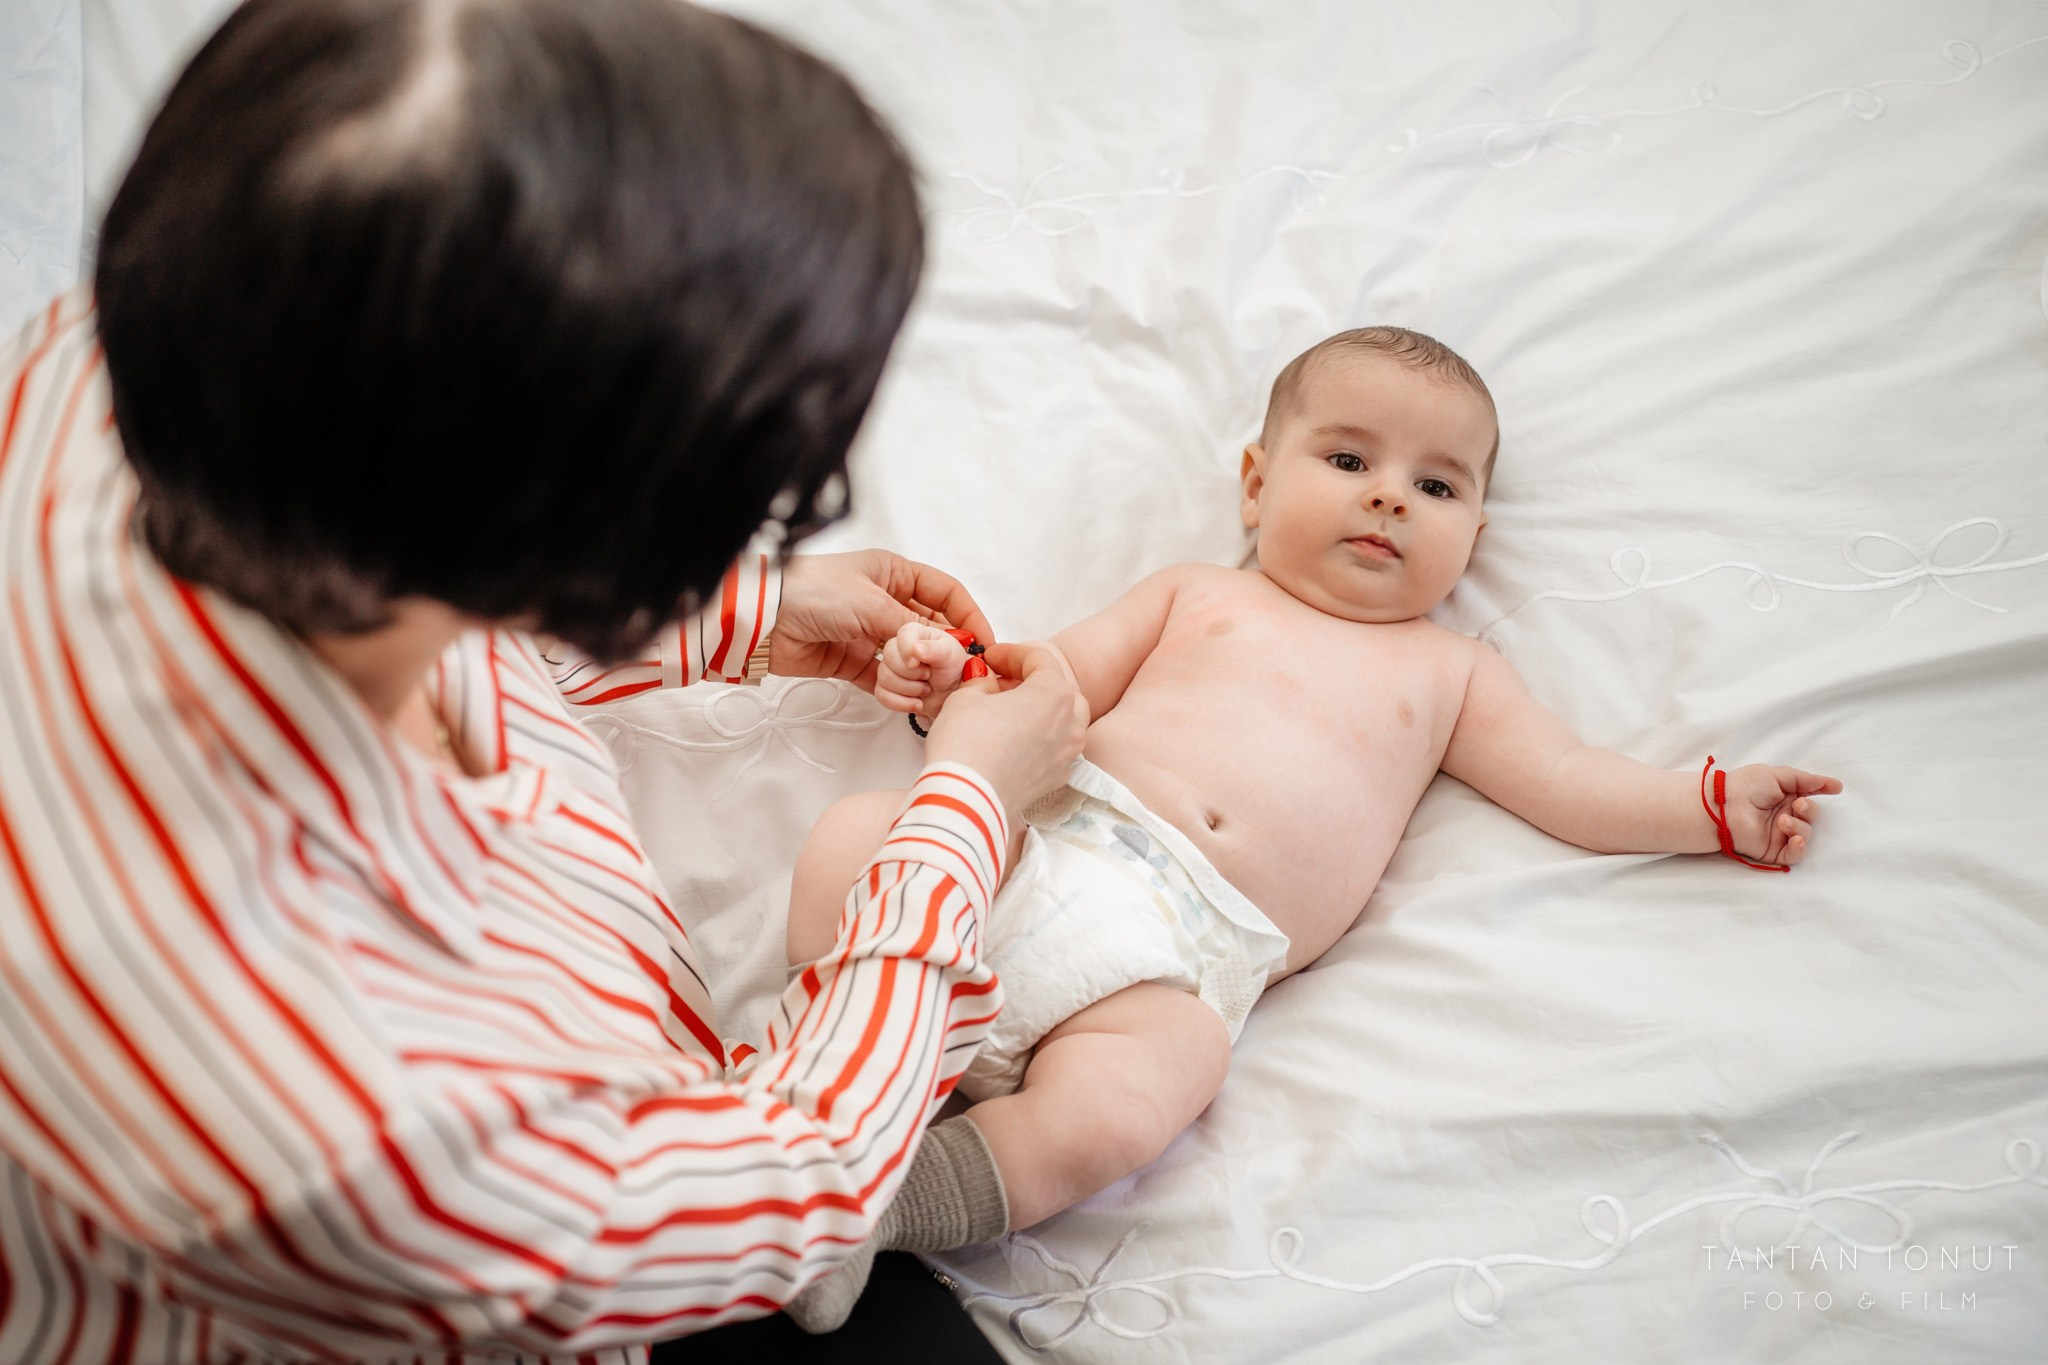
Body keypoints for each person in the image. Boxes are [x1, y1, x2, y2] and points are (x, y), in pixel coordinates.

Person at [0, 0, 1085, 1360]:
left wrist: (734, 613)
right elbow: (792, 1190)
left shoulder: (135, 355)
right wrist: (966, 809)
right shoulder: (349, 1129)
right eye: (774, 492)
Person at [779, 325, 1845, 1330]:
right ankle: (814, 1077)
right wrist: (945, 679)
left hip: (1169, 966)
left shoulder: (1451, 673)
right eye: (1347, 461)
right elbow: (1045, 684)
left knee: (1140, 1099)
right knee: (854, 836)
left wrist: (1704, 807)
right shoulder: (1194, 594)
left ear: (1471, 536)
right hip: (1029, 846)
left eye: (1434, 486)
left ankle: (880, 1209)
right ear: (1255, 483)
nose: (1387, 497)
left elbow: (1565, 780)